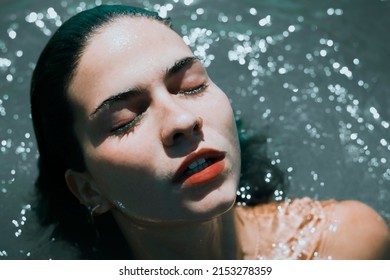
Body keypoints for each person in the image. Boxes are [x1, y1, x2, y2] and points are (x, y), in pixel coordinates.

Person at [30, 4, 390, 260]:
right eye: (125, 120)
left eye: (191, 85)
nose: (183, 121)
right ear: (89, 189)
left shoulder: (341, 247)